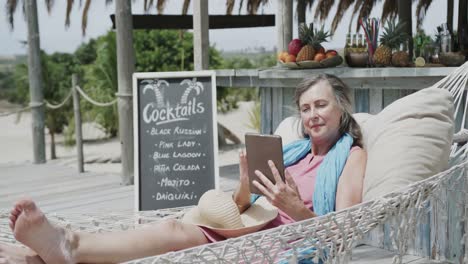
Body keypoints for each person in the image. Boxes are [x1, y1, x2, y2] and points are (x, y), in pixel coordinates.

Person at [0, 73, 366, 264]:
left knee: (172, 241)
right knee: (171, 228)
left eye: (321, 105)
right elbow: (245, 204)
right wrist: (243, 184)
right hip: (242, 228)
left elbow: (341, 232)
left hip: (278, 244)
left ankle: (56, 251)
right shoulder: (292, 151)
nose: (313, 115)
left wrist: (295, 208)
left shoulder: (350, 157)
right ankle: (58, 249)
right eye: (305, 108)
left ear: (341, 108)